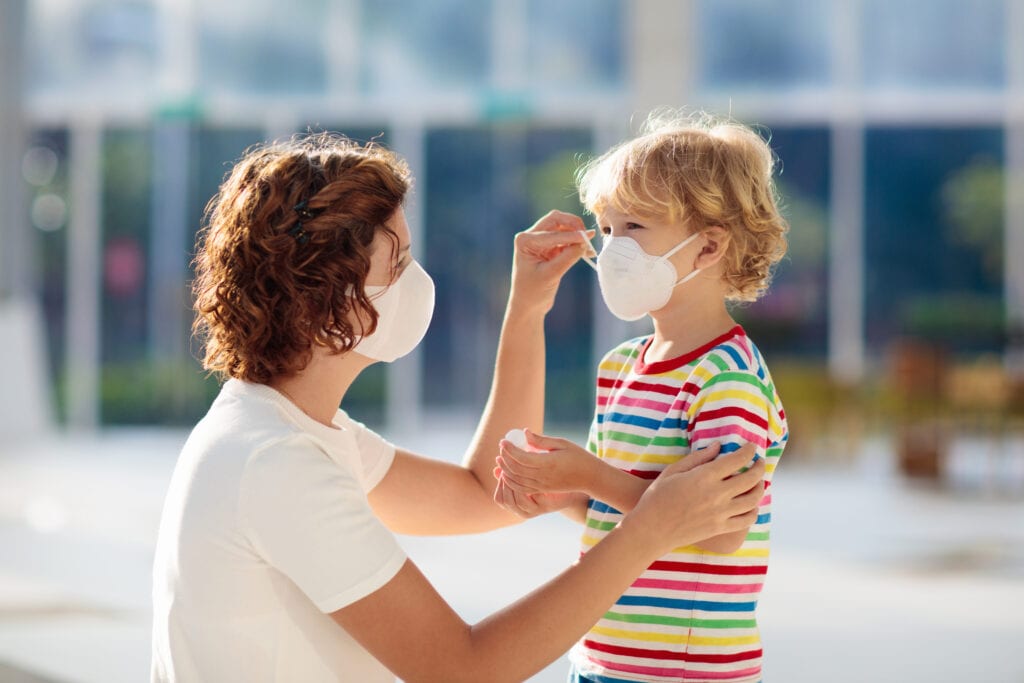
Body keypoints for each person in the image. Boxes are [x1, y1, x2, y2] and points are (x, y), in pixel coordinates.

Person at [149, 132, 766, 683]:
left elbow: (480, 493)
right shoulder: (276, 462)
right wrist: (649, 529)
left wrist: (527, 309)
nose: (418, 280)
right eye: (399, 264)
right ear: (330, 303)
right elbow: (464, 671)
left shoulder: (297, 432)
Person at [493, 111, 790, 683]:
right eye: (605, 230)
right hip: (600, 655)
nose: (610, 250)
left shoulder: (727, 378)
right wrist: (561, 492)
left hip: (685, 671)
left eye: (634, 228)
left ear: (707, 248)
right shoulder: (621, 366)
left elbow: (725, 527)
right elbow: (618, 505)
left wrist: (588, 473)